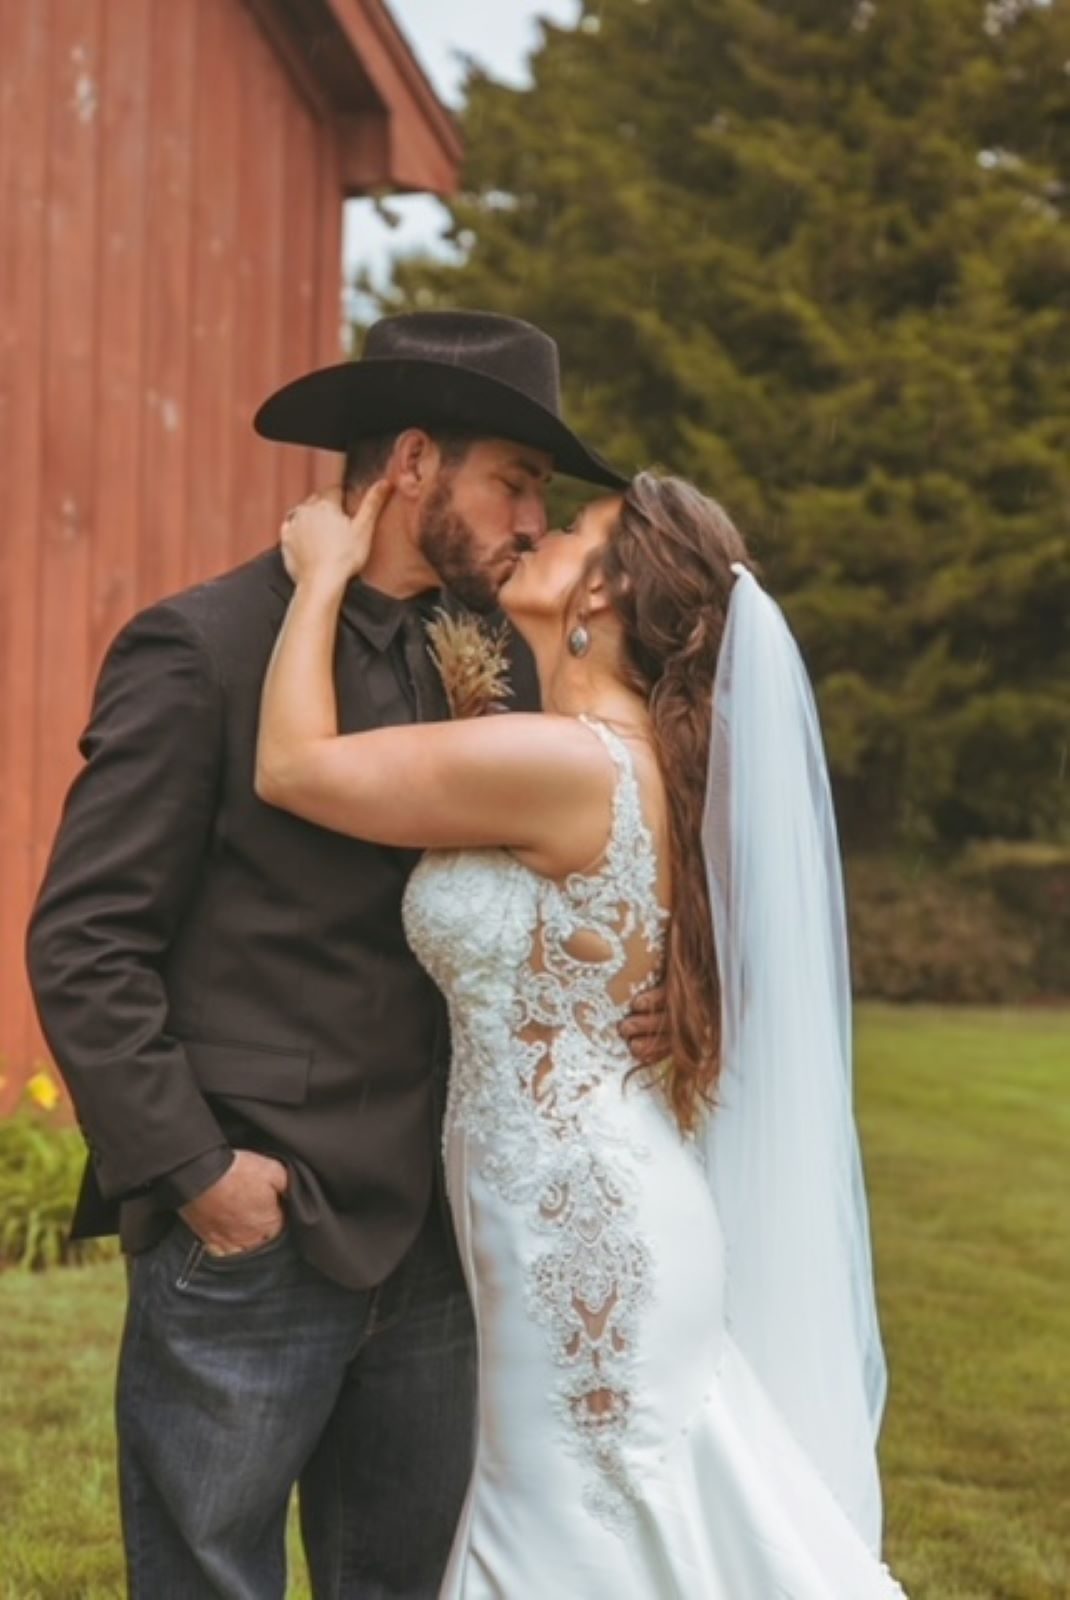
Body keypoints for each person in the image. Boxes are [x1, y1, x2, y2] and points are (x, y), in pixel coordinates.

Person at [25, 311, 666, 1600]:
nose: (535, 519)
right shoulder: (201, 647)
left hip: (443, 1239)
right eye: (515, 480)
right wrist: (201, 1173)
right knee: (210, 1577)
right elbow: (85, 939)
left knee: (404, 1582)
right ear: (414, 461)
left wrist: (637, 1011)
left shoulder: (496, 672)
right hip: (257, 1233)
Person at [256, 470, 910, 1598]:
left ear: (599, 599)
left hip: (578, 1234)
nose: (541, 530)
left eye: (573, 529)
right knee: (614, 1530)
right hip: (570, 1210)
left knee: (575, 1533)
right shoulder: (610, 757)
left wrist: (318, 577)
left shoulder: (568, 763)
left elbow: (293, 767)